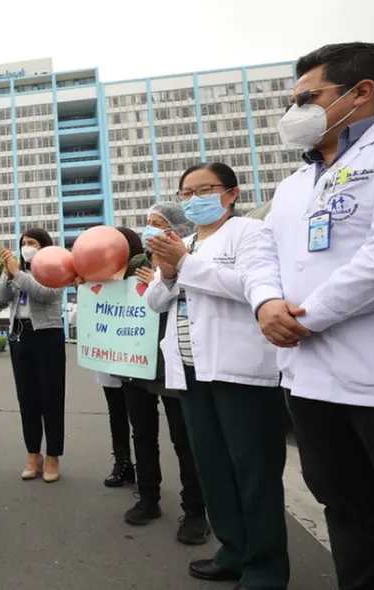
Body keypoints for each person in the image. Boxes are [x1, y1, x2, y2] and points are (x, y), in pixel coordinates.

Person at [240, 42, 374, 590]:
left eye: (305, 98)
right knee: (347, 510)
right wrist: (267, 302)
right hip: (312, 382)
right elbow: (261, 254)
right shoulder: (293, 185)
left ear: (361, 92)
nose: (293, 112)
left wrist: (304, 317)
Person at [144, 162, 287, 588]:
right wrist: (169, 271)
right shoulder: (182, 241)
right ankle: (233, 550)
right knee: (214, 469)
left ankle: (265, 568)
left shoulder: (249, 234)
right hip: (191, 372)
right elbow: (155, 300)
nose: (192, 199)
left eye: (203, 190)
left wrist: (184, 264)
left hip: (238, 372)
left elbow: (253, 286)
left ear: (231, 193)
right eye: (185, 193)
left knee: (253, 473)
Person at [111, 216, 210, 546]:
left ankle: (195, 511)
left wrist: (165, 277)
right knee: (143, 433)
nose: (149, 228)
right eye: (148, 223)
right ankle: (148, 498)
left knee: (185, 440)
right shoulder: (136, 260)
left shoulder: (193, 255)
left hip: (174, 362)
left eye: (158, 222)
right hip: (136, 360)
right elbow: (108, 288)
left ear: (177, 229)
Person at [0, 227, 65, 483]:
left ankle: (53, 456)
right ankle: (33, 454)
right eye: (23, 242)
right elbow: (1, 297)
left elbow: (46, 294)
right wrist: (7, 274)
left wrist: (16, 273)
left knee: (52, 398)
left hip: (47, 335)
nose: (26, 246)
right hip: (20, 335)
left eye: (32, 242)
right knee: (27, 400)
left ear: (44, 245)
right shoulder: (18, 271)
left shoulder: (57, 266)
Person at [95, 372, 134, 487]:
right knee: (116, 408)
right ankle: (122, 461)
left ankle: (147, 470)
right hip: (112, 359)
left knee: (141, 414)